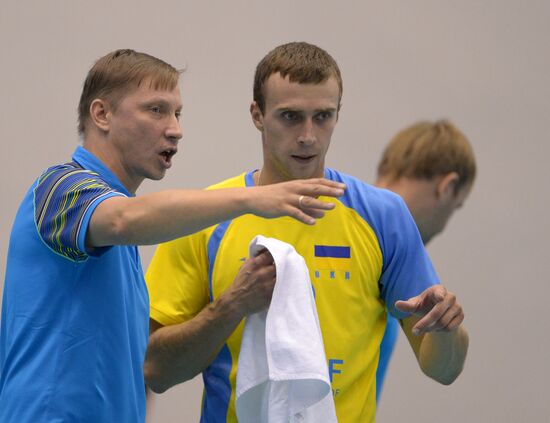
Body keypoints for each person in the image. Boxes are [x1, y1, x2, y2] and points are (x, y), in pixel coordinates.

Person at [0, 49, 345, 423]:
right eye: (156, 110)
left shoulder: (118, 228)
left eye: (177, 113)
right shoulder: (62, 187)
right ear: (102, 114)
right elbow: (124, 220)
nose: (175, 129)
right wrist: (252, 197)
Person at [144, 42, 469, 423]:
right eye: (290, 116)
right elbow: (156, 370)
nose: (308, 136)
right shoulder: (208, 216)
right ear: (257, 114)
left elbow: (443, 370)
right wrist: (232, 305)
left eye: (323, 117)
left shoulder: (382, 216)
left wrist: (449, 331)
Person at [374, 120, 476, 403]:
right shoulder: (384, 242)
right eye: (455, 208)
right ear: (448, 186)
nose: (444, 226)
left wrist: (448, 328)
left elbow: (444, 369)